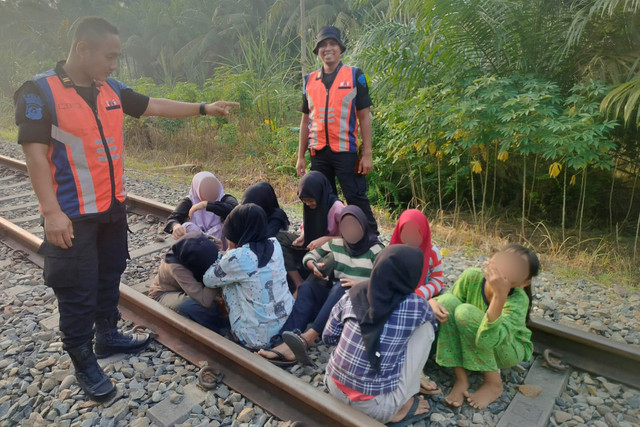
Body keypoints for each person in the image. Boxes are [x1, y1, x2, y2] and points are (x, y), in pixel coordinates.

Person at [13, 16, 239, 401]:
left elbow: (155, 106)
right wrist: (50, 212)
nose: (114, 64)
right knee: (76, 289)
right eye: (110, 56)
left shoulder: (111, 89)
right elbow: (34, 156)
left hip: (111, 210)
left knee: (109, 275)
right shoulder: (39, 93)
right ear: (82, 49)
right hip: (72, 214)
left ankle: (107, 335)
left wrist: (204, 108)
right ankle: (83, 359)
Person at [323, 245, 438, 425]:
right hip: (374, 408)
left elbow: (328, 336)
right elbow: (434, 324)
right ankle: (401, 407)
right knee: (426, 329)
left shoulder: (352, 293)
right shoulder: (418, 306)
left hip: (333, 386)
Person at [258, 205, 383, 366]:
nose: (350, 231)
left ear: (363, 226)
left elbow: (386, 280)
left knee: (341, 288)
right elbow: (310, 255)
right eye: (345, 227)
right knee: (308, 288)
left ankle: (306, 339)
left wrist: (360, 285)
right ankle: (283, 340)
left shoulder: (376, 249)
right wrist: (312, 265)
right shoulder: (337, 244)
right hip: (335, 304)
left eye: (354, 225)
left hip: (358, 308)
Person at [430, 244, 539, 409]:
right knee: (446, 302)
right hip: (474, 340)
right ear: (492, 259)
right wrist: (432, 301)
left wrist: (499, 296)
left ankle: (493, 383)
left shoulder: (518, 300)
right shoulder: (472, 276)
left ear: (525, 282)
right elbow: (449, 310)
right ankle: (461, 379)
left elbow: (489, 341)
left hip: (505, 349)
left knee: (465, 312)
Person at [296, 26, 378, 234]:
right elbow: (305, 121)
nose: (328, 48)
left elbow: (364, 117)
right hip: (318, 152)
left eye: (332, 44)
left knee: (355, 196)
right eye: (323, 45)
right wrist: (300, 156)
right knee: (320, 197)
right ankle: (322, 238)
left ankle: (371, 239)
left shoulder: (355, 76)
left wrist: (367, 154)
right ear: (317, 51)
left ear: (340, 48)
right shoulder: (309, 81)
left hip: (346, 151)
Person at [203, 204, 294, 350]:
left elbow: (208, 279)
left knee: (228, 281)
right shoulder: (275, 244)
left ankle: (235, 331)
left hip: (254, 339)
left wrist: (224, 255)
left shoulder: (238, 257)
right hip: (287, 326)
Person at [389, 209, 446, 395]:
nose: (411, 237)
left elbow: (438, 279)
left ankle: (418, 368)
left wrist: (419, 293)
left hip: (420, 297)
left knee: (422, 323)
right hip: (396, 296)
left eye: (417, 232)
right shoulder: (392, 250)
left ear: (425, 232)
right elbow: (383, 278)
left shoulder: (432, 252)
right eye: (407, 231)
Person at [148, 232, 229, 334]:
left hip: (190, 287)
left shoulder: (203, 240)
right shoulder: (176, 267)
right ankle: (220, 329)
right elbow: (204, 301)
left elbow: (218, 245)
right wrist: (217, 274)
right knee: (191, 306)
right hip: (165, 293)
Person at [279, 171, 345, 293]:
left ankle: (306, 289)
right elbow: (307, 224)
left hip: (331, 248)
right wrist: (304, 235)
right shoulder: (309, 206)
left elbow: (349, 239)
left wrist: (326, 239)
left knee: (329, 261)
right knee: (279, 239)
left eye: (310, 200)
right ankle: (298, 282)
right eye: (304, 201)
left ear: (319, 194)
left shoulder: (337, 208)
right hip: (312, 243)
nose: (308, 204)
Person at [164, 171, 238, 249]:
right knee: (186, 226)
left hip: (220, 243)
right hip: (197, 241)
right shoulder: (189, 201)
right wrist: (175, 226)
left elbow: (235, 210)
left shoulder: (225, 198)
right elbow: (172, 219)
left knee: (226, 227)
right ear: (197, 188)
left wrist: (206, 205)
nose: (210, 191)